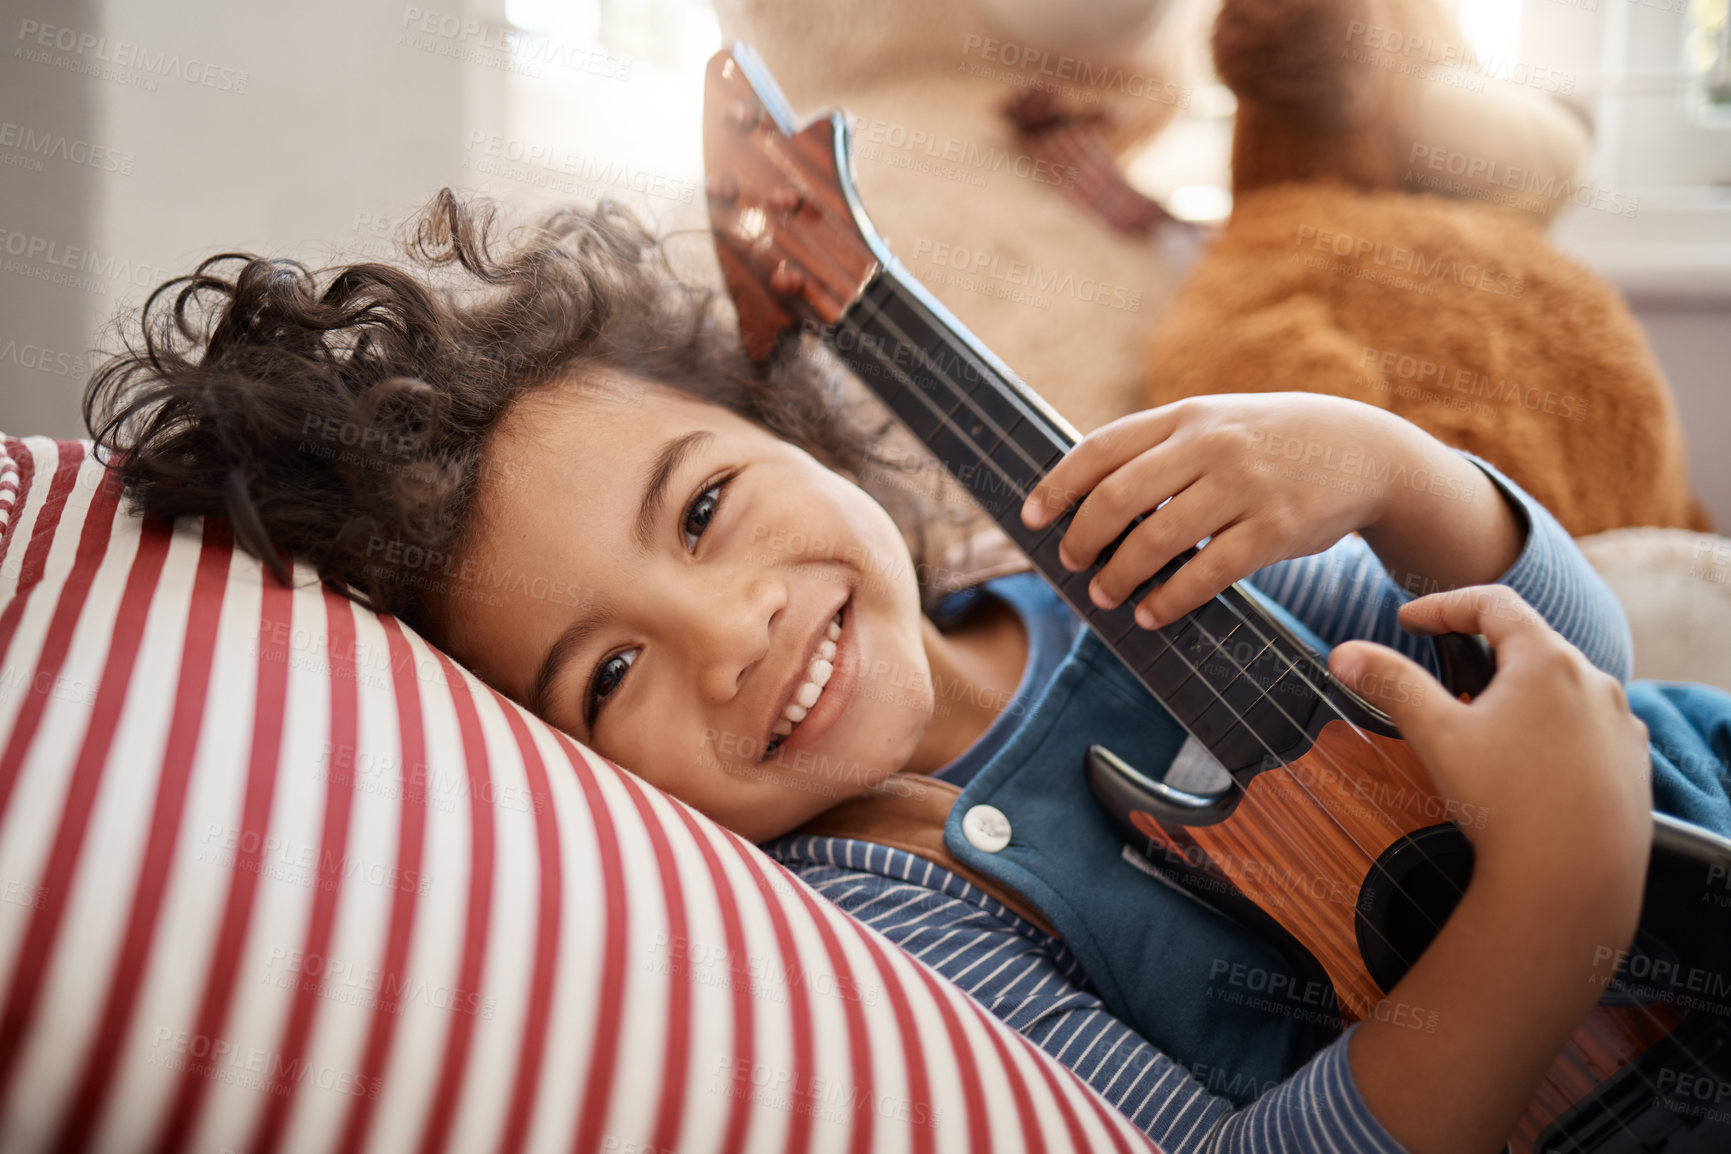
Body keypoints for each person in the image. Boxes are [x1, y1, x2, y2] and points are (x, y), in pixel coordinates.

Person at [84, 190, 1731, 1153]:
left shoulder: (1100, 559)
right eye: (606, 676)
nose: (734, 633)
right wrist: (1550, 907)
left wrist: (1385, 467)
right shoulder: (890, 907)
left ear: (784, 422)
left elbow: (1570, 673)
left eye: (709, 507)